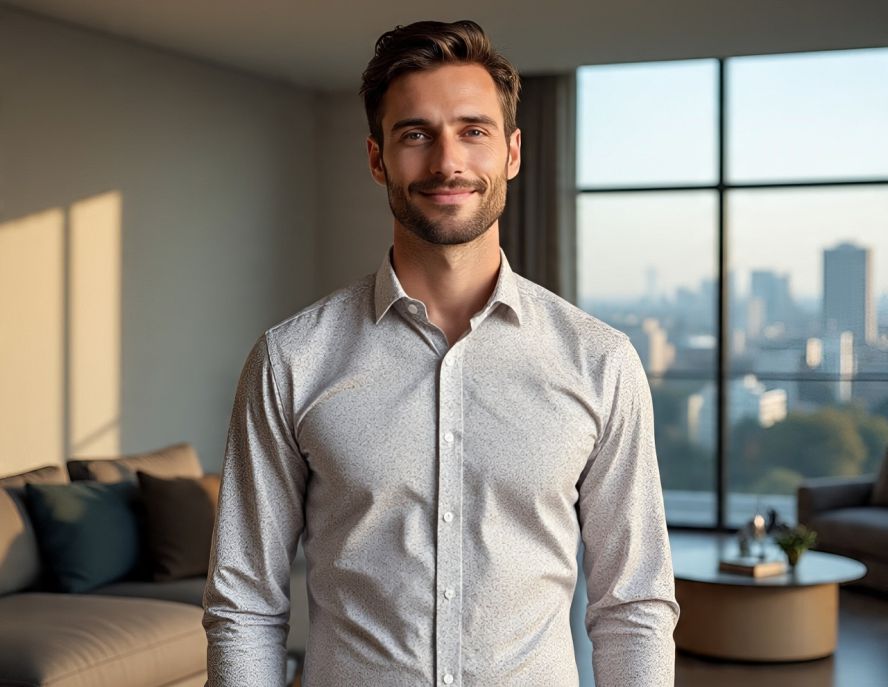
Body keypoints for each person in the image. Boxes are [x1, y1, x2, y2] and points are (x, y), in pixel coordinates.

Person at [203, 19, 679, 687]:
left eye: (473, 130)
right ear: (377, 157)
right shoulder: (290, 359)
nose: (447, 162)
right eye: (416, 134)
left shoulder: (601, 362)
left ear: (512, 153)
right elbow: (245, 603)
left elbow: (633, 605)